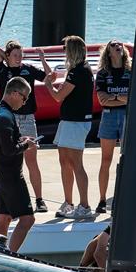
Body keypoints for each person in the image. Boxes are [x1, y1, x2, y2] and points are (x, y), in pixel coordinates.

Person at [0, 40, 52, 213]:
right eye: (15, 55)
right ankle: (7, 199)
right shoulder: (3, 69)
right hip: (9, 118)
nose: (19, 58)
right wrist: (7, 59)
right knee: (8, 159)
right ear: (9, 55)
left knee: (31, 160)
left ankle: (39, 199)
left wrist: (42, 60)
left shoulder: (28, 69)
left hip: (27, 118)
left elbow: (49, 77)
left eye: (21, 55)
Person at [45, 35, 94, 219]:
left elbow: (58, 96)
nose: (64, 52)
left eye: (66, 49)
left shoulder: (79, 71)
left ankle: (84, 206)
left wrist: (48, 84)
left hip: (76, 122)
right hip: (69, 120)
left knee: (75, 163)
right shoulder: (78, 70)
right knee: (64, 161)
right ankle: (69, 202)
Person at [0, 77, 38, 253]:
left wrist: (20, 139)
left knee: (4, 217)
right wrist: (27, 145)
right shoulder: (5, 116)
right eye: (24, 98)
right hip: (11, 174)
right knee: (27, 219)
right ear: (15, 93)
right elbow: (9, 150)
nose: (24, 103)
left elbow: (2, 142)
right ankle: (10, 255)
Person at [94, 39, 131, 214]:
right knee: (106, 160)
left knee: (126, 159)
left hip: (126, 117)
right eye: (114, 46)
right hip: (108, 116)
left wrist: (113, 96)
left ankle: (124, 197)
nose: (118, 47)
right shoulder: (102, 73)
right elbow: (102, 100)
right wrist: (120, 97)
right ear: (108, 52)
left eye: (120, 45)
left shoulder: (131, 72)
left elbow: (133, 98)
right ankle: (102, 199)